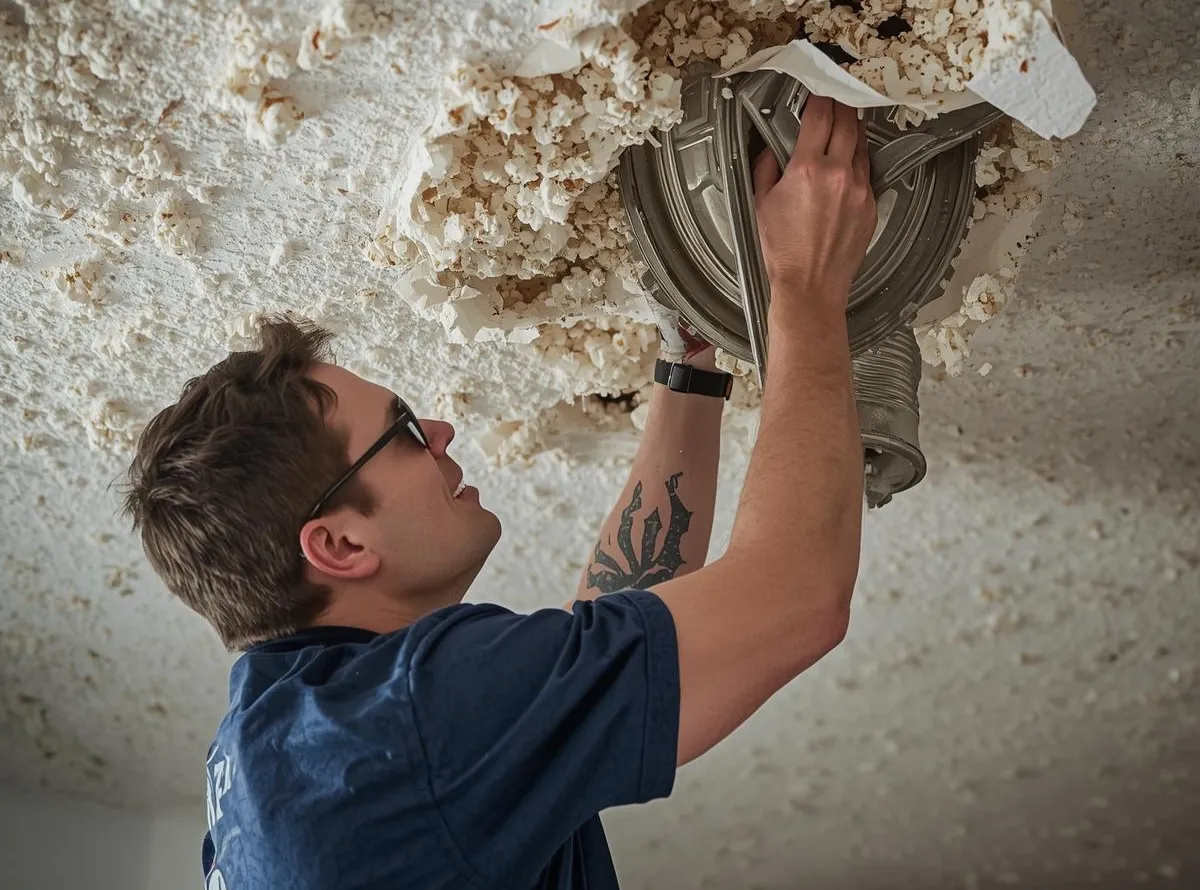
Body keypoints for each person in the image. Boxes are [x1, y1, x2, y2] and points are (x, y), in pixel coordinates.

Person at [122, 96, 876, 890]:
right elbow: (797, 596)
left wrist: (690, 367)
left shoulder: (288, 751)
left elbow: (604, 652)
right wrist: (803, 283)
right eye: (404, 429)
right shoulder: (399, 719)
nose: (442, 431)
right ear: (340, 544)